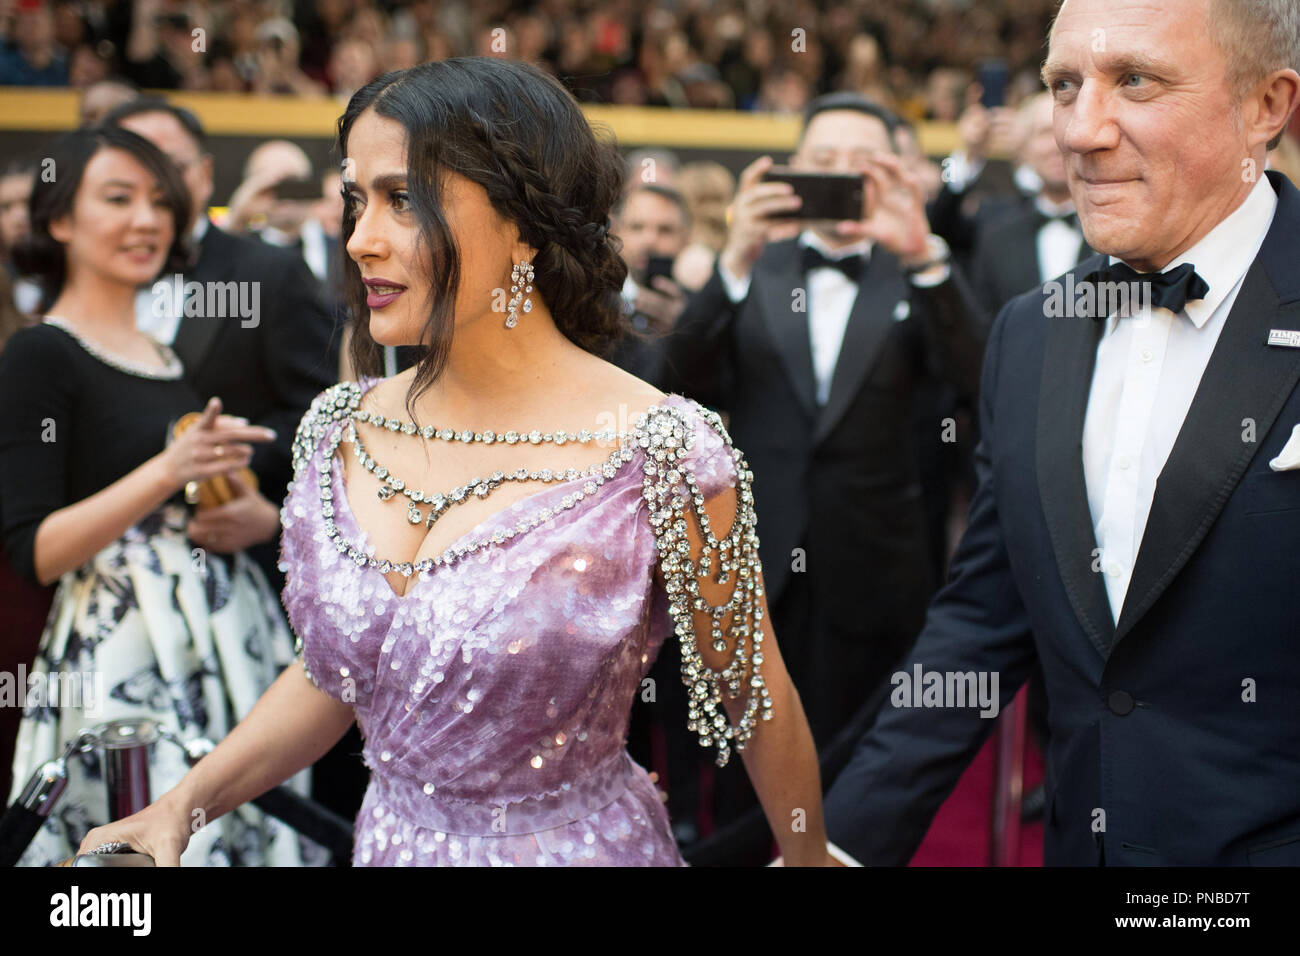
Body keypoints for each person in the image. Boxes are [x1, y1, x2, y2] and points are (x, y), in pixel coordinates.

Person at [75, 56, 835, 868]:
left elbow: (754, 700)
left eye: (404, 199)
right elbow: (335, 679)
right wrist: (181, 806)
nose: (363, 239)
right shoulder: (340, 429)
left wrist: (811, 858)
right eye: (356, 200)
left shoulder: (663, 449)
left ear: (524, 222)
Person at [823, 0, 1300, 866]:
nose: (1079, 132)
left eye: (1136, 82)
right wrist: (841, 845)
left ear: (1267, 105)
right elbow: (980, 621)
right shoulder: (1030, 332)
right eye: (1063, 85)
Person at [662, 92, 986, 859]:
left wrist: (924, 256)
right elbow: (668, 387)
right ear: (794, 172)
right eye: (825, 162)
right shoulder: (753, 266)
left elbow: (982, 388)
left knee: (866, 782)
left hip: (879, 571)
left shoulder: (919, 267)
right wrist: (733, 263)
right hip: (755, 568)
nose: (842, 177)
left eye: (862, 162)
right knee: (749, 784)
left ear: (899, 171)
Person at [0, 125, 317, 866]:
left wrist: (237, 505)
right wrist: (168, 471)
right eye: (118, 199)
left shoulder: (161, 352)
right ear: (59, 220)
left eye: (159, 202)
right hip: (118, 659)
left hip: (219, 636)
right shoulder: (40, 352)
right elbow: (34, 550)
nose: (147, 220)